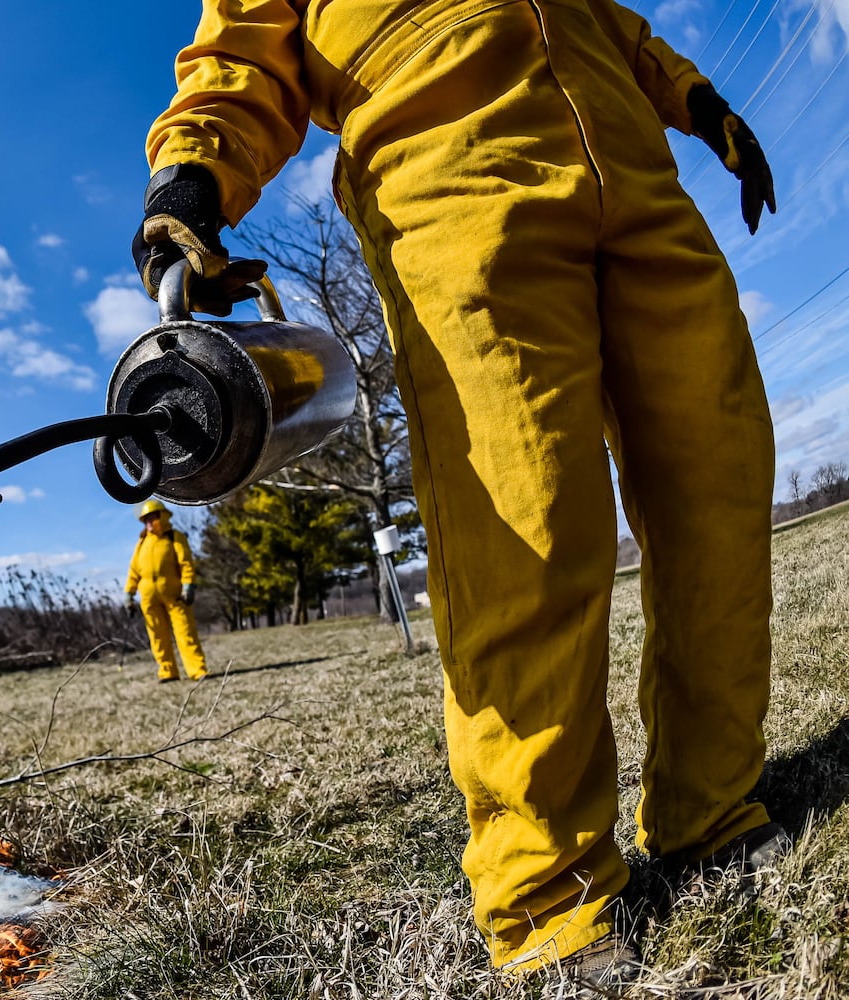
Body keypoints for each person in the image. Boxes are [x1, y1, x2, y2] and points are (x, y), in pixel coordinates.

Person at [131, 0, 789, 987]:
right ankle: (546, 898)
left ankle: (709, 810)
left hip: (637, 177)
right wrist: (194, 168)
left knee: (720, 488)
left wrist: (699, 103)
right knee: (521, 523)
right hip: (446, 177)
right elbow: (238, 47)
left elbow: (619, 31)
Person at [125, 499, 208, 683]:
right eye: (145, 520)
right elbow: (134, 571)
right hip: (149, 599)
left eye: (151, 518)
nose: (148, 523)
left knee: (185, 632)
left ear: (161, 517)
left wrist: (188, 585)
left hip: (175, 595)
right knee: (157, 636)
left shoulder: (174, 537)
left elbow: (186, 563)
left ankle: (198, 670)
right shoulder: (141, 543)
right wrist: (129, 594)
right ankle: (167, 671)